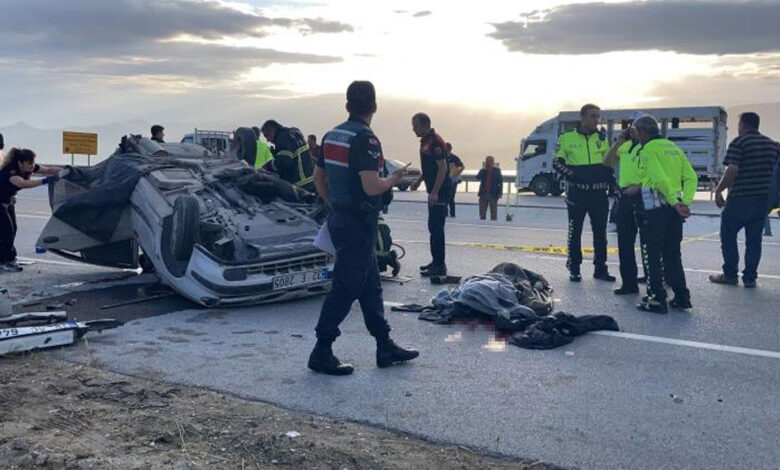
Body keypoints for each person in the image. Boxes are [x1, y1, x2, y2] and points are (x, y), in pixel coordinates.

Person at [308, 80, 419, 376]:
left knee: (370, 286)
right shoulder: (366, 140)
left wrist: (335, 204)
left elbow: (318, 179)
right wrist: (394, 179)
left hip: (340, 219)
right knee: (345, 288)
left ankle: (384, 345)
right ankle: (321, 350)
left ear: (347, 106)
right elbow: (372, 186)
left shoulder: (332, 136)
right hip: (359, 223)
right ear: (375, 107)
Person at [625, 115, 696, 313]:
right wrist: (684, 203)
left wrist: (674, 202)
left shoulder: (648, 150)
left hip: (655, 209)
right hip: (674, 213)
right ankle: (682, 296)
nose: (635, 135)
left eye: (635, 131)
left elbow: (658, 178)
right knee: (673, 253)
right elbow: (690, 177)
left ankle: (656, 298)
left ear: (642, 132)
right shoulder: (673, 147)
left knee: (651, 254)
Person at [709, 112, 779, 288]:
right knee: (754, 240)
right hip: (762, 200)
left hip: (740, 198)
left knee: (728, 234)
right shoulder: (773, 145)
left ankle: (730, 274)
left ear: (743, 125)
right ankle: (750, 278)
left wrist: (719, 190)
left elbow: (732, 170)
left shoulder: (739, 142)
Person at [553, 104, 615, 282]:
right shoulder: (567, 138)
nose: (596, 120)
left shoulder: (602, 138)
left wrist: (612, 184)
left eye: (598, 117)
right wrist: (575, 176)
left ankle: (601, 269)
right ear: (582, 117)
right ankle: (574, 267)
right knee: (575, 231)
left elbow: (607, 163)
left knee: (600, 233)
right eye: (592, 116)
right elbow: (556, 162)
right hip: (577, 194)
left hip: (598, 194)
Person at [603, 124, 648, 295]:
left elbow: (659, 173)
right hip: (625, 197)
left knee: (648, 242)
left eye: (638, 128)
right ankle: (629, 283)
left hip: (644, 196)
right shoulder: (626, 146)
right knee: (625, 242)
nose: (634, 131)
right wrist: (617, 143)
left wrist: (639, 186)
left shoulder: (650, 148)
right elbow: (607, 161)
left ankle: (654, 280)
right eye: (632, 128)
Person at [0, 148, 61, 272]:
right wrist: (44, 181)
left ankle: (6, 258)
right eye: (29, 163)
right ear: (20, 163)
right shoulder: (11, 172)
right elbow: (24, 184)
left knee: (13, 229)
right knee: (7, 231)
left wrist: (66, 171)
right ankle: (6, 261)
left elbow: (48, 169)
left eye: (33, 163)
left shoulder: (29, 167)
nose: (32, 166)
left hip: (7, 202)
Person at [410, 113, 453, 277]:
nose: (413, 129)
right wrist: (419, 180)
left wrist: (435, 192)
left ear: (424, 125)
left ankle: (440, 265)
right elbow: (429, 167)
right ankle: (435, 261)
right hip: (433, 189)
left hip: (441, 191)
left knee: (436, 228)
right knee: (432, 227)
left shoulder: (436, 142)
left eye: (415, 126)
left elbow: (442, 169)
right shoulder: (425, 142)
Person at [260, 120, 315, 193]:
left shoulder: (283, 138)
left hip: (300, 184)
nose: (267, 140)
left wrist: (268, 166)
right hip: (312, 181)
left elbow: (284, 161)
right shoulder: (294, 133)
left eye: (267, 135)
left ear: (272, 131)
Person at [476, 155, 502, 220]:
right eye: (487, 161)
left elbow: (500, 182)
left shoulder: (497, 171)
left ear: (493, 162)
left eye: (490, 161)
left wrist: (500, 193)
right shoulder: (483, 170)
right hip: (483, 193)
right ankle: (482, 224)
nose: (489, 163)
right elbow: (477, 177)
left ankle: (493, 226)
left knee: (493, 213)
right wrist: (483, 169)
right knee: (482, 212)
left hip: (493, 194)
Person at [446, 143, 465, 217]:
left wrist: (457, 174)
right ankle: (445, 214)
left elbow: (462, 167)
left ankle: (452, 214)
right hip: (445, 180)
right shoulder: (442, 157)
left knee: (451, 198)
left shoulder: (454, 158)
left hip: (453, 181)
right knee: (445, 197)